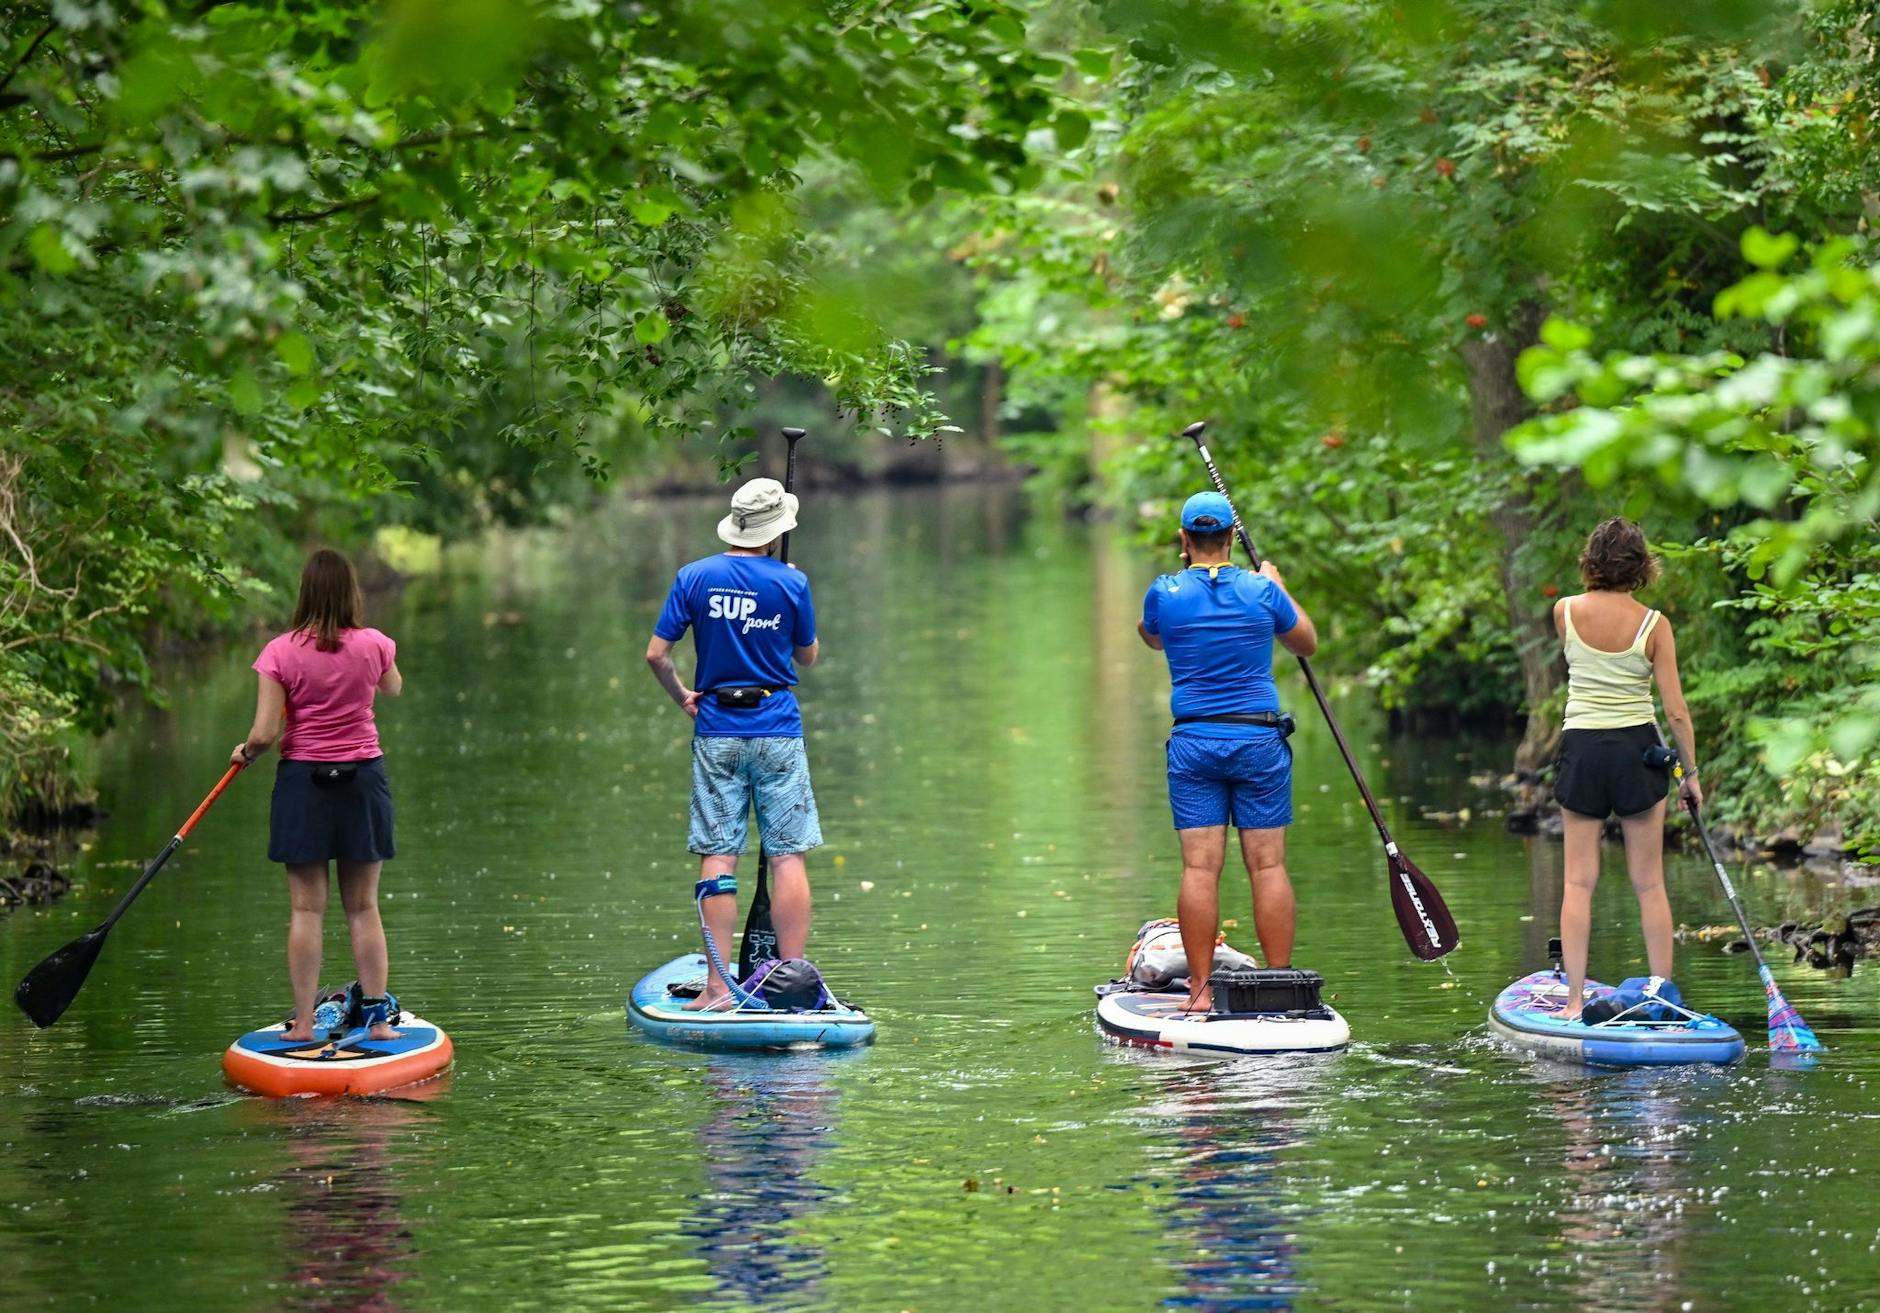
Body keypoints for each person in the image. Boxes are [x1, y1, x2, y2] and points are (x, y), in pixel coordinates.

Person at [1137, 491, 1318, 1012]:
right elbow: (1305, 643)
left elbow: (1151, 638)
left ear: (1184, 539)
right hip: (1258, 741)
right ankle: (1282, 987)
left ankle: (1197, 994)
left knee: (1199, 869)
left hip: (1195, 743)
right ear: (1233, 539)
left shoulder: (1164, 593)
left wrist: (1186, 575)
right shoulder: (1262, 590)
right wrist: (1279, 587)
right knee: (1267, 866)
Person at [646, 477, 821, 1010]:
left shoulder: (694, 577)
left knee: (719, 856)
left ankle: (719, 987)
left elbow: (657, 654)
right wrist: (784, 595)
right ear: (777, 530)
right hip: (777, 731)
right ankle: (793, 985)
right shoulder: (792, 582)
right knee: (787, 855)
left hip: (717, 728)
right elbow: (807, 657)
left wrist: (683, 697)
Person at [232, 549, 403, 1041]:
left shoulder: (278, 653)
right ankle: (377, 1025)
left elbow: (264, 734)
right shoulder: (375, 644)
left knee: (307, 909)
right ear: (352, 593)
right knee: (363, 907)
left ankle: (304, 1024)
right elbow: (393, 689)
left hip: (303, 783)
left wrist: (245, 751)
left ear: (303, 593)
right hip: (363, 781)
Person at [1551, 517, 1699, 1020]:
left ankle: (1573, 1002)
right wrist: (1691, 775)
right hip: (1637, 750)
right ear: (1642, 567)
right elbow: (1676, 710)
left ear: (1590, 562)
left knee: (1577, 882)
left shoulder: (1564, 612)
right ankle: (1662, 997)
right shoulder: (1654, 625)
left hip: (1583, 750)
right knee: (1650, 882)